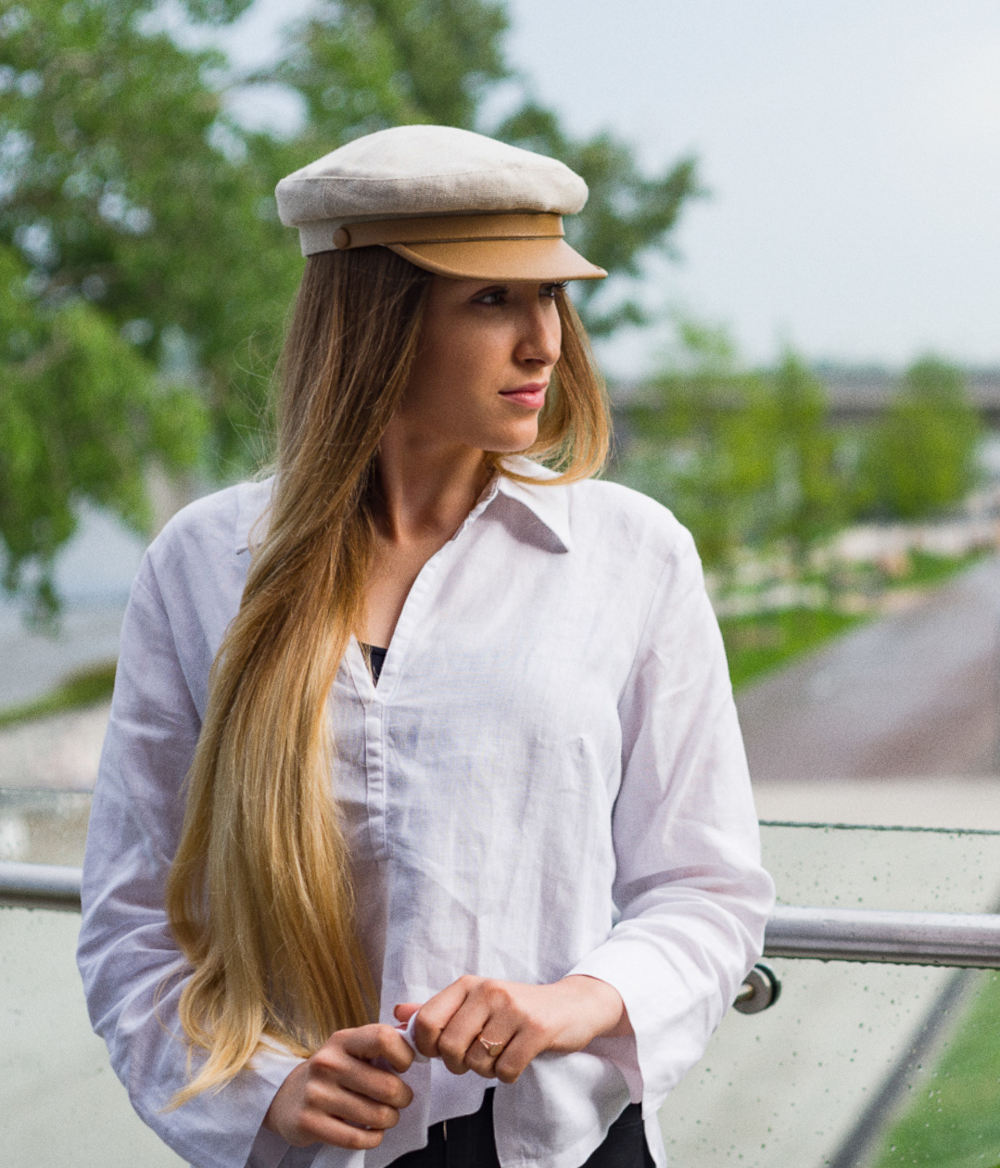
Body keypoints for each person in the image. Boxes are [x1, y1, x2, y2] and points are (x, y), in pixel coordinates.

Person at [78, 124, 774, 1168]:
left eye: (550, 296)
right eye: (492, 299)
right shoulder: (201, 563)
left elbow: (708, 889)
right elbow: (134, 920)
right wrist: (266, 1090)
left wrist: (571, 1004)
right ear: (375, 321)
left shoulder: (633, 556)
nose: (544, 341)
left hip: (563, 1146)